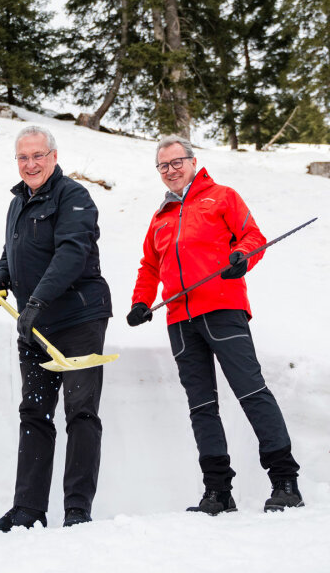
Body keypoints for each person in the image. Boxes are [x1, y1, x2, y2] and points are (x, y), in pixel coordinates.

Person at [127, 134, 303, 515]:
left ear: (193, 161)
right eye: (163, 166)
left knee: (251, 391)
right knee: (202, 406)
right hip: (179, 320)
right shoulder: (160, 217)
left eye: (176, 162)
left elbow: (253, 236)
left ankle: (285, 482)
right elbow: (150, 266)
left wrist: (241, 256)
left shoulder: (221, 196)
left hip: (223, 310)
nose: (171, 171)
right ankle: (218, 492)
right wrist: (141, 302)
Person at [0, 125, 112, 530]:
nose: (30, 164)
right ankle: (28, 510)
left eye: (38, 156)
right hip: (34, 324)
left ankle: (77, 511)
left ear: (53, 156)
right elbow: (13, 250)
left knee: (81, 413)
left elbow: (72, 253)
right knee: (34, 412)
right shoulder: (18, 200)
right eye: (23, 157)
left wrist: (37, 300)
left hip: (78, 320)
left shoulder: (74, 197)